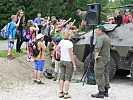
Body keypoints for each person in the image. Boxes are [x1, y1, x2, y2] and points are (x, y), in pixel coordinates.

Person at [91, 24, 110, 98]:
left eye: (96, 29)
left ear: (100, 30)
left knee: (99, 74)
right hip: (106, 58)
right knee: (106, 74)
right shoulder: (106, 37)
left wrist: (95, 56)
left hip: (101, 59)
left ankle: (101, 92)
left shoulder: (100, 38)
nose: (95, 31)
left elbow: (98, 47)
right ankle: (106, 91)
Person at [56, 30, 76, 99]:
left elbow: (56, 49)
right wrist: (74, 64)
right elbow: (71, 54)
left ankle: (61, 92)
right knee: (67, 78)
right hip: (68, 61)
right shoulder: (70, 43)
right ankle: (66, 93)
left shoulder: (61, 42)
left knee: (62, 77)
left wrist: (61, 54)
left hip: (62, 60)